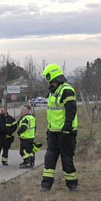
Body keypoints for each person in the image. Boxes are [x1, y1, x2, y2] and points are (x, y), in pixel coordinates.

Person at [41, 64, 78, 192]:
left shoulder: (66, 90)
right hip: (53, 132)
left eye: (48, 78)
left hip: (66, 133)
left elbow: (71, 111)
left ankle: (72, 184)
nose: (48, 81)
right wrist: (49, 129)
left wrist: (66, 129)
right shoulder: (53, 92)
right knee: (49, 159)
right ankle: (46, 185)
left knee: (67, 159)